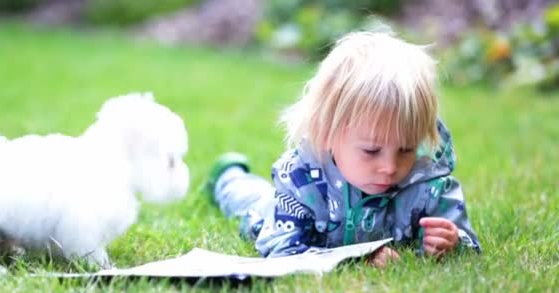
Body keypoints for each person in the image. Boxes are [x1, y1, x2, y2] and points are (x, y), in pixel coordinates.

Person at [205, 31, 481, 267]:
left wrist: (451, 241)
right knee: (252, 200)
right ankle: (228, 177)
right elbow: (282, 252)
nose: (390, 166)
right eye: (371, 151)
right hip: (268, 213)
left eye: (406, 149)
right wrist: (357, 256)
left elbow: (468, 245)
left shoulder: (428, 185)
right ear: (326, 134)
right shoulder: (301, 184)